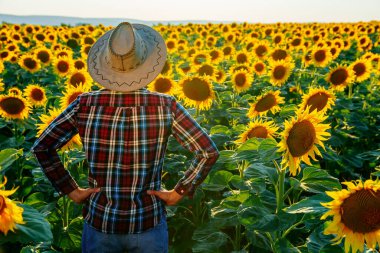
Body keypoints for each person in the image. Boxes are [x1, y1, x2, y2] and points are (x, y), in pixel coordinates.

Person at [31, 22, 219, 253]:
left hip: (100, 222)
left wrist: (71, 189)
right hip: (148, 222)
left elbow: (43, 147)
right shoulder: (165, 105)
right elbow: (208, 151)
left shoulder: (85, 104)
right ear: (147, 64)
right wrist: (179, 191)